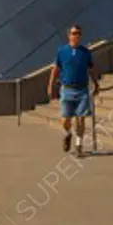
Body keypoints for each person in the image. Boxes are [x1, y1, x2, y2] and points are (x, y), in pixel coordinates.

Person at [46, 24, 99, 155]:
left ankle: (79, 145)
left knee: (81, 119)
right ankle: (67, 133)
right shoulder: (62, 51)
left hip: (82, 90)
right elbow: (55, 69)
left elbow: (91, 69)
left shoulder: (86, 52)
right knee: (65, 120)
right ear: (69, 35)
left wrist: (96, 83)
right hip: (67, 89)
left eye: (79, 33)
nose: (76, 36)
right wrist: (50, 85)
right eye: (74, 33)